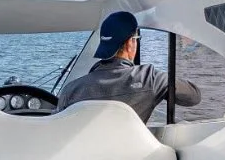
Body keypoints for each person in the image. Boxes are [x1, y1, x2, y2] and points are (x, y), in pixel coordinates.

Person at [55, 11, 201, 122]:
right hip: (132, 154)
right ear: (131, 42)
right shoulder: (150, 79)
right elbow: (194, 97)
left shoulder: (70, 91)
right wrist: (163, 81)